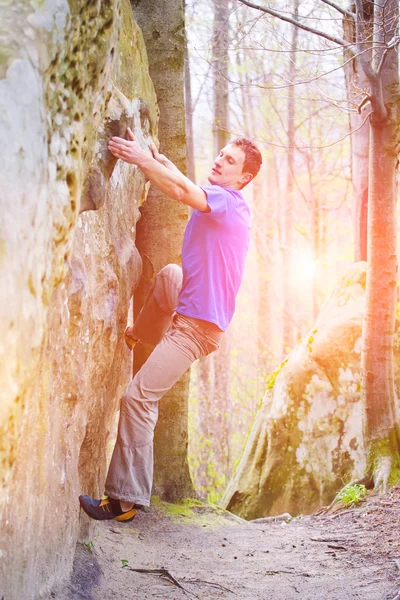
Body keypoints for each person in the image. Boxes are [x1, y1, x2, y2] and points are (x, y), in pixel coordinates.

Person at [79, 128, 262, 522]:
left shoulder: (228, 203)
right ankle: (138, 336)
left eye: (230, 161)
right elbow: (182, 183)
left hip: (196, 328)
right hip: (191, 304)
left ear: (243, 178)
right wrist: (155, 158)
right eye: (221, 154)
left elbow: (180, 192)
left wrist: (140, 160)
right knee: (170, 276)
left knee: (138, 398)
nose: (219, 160)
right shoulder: (223, 199)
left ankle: (124, 502)